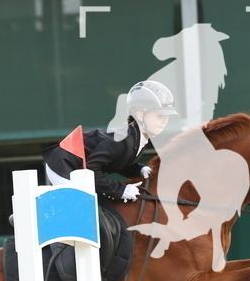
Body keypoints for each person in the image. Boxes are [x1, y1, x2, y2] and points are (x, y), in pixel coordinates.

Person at [42, 80, 177, 202]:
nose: (165, 121)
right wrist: (119, 189)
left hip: (79, 167)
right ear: (140, 115)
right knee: (83, 203)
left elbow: (119, 164)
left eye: (167, 117)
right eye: (160, 115)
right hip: (64, 164)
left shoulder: (136, 138)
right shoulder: (123, 140)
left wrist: (140, 170)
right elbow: (91, 169)